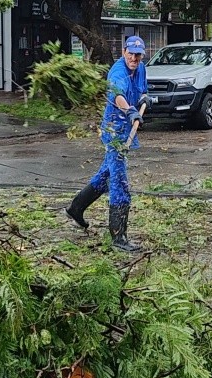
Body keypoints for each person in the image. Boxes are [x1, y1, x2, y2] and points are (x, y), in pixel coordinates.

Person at [64, 36, 152, 252]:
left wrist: (143, 98)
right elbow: (119, 95)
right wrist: (131, 111)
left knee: (107, 173)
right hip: (113, 129)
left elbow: (142, 89)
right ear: (123, 52)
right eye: (130, 53)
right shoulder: (117, 72)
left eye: (138, 54)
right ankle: (118, 237)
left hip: (125, 128)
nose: (134, 57)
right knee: (119, 181)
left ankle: (76, 207)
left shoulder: (140, 68)